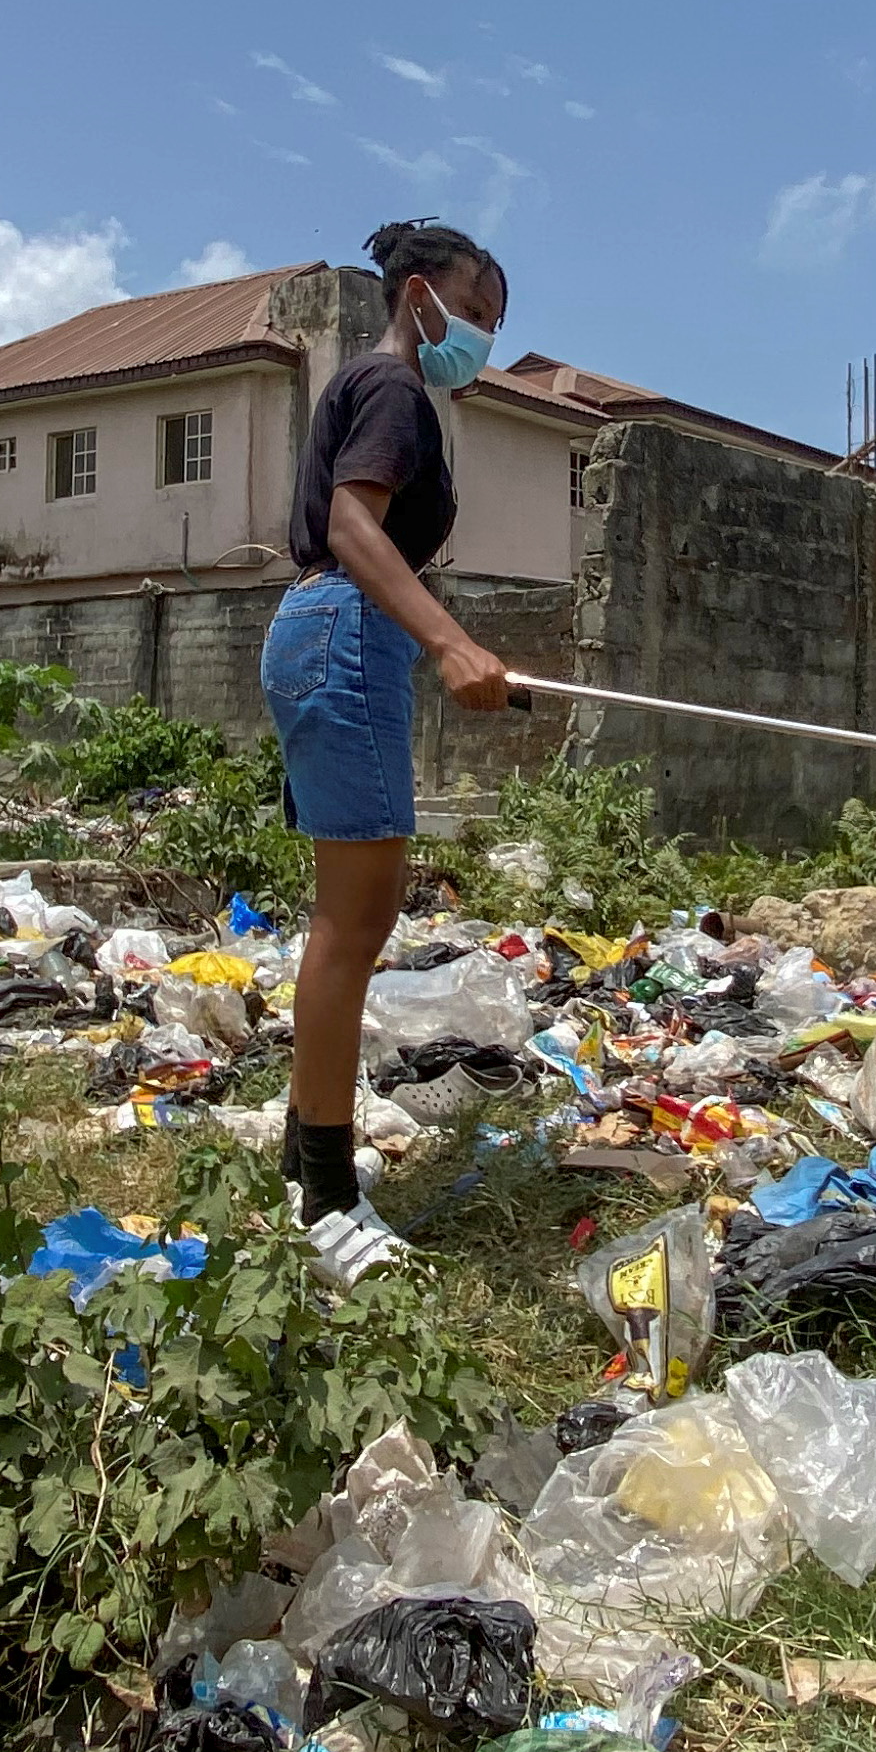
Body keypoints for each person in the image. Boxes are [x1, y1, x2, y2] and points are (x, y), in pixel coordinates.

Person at [260, 219, 517, 1284]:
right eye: (475, 312)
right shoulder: (396, 389)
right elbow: (353, 526)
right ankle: (326, 1201)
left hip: (331, 633)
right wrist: (449, 640)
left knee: (349, 915)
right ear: (418, 294)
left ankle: (298, 1152)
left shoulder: (382, 390)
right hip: (345, 632)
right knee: (353, 921)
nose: (482, 339)